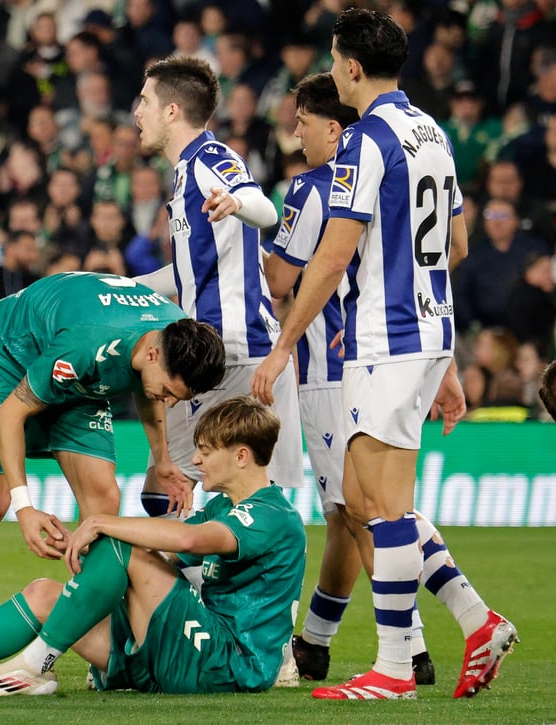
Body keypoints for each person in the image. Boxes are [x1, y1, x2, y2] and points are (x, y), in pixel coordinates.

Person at [251, 8, 516, 701]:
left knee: (379, 505)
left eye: (336, 57)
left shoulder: (365, 142)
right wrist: (448, 361)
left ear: (352, 68)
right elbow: (453, 248)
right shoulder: (434, 133)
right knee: (377, 500)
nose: (335, 67)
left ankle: (397, 666)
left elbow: (334, 255)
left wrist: (282, 348)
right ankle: (473, 619)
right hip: (430, 331)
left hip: (385, 337)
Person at [0, 396, 306, 697]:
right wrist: (81, 543)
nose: (197, 458)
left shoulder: (271, 514)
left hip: (228, 664)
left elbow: (186, 540)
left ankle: (34, 665)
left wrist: (99, 523)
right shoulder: (226, 509)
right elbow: (167, 557)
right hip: (185, 653)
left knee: (123, 542)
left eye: (207, 450)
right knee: (44, 593)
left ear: (242, 456)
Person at [263, 72, 436, 685]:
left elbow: (279, 282)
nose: (295, 133)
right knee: (343, 512)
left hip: (332, 370)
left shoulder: (312, 188)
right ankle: (316, 641)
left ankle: (410, 650)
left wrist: (240, 230)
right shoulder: (408, 155)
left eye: (303, 122)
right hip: (391, 349)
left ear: (334, 127)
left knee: (363, 513)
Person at [0, 271, 226, 628]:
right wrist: (25, 509)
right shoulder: (89, 343)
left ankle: (92, 633)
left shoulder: (168, 340)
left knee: (104, 502)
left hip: (72, 366)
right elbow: (10, 416)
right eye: (167, 390)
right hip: (6, 351)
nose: (166, 399)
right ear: (152, 353)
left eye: (174, 398)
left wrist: (161, 460)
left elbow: (145, 386)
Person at [127, 56, 304, 522]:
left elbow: (264, 209)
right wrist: (119, 288)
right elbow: (186, 274)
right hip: (211, 357)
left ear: (172, 111)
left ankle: (256, 596)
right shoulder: (186, 174)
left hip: (242, 354)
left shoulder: (212, 159)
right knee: (165, 491)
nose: (136, 112)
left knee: (253, 499)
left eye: (145, 101)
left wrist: (237, 200)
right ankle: (195, 593)